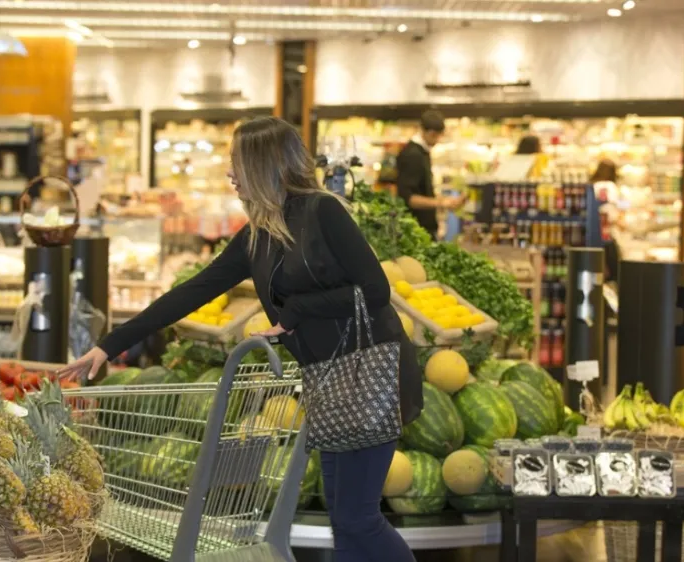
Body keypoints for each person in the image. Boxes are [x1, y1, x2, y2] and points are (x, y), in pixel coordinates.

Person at [61, 116, 421, 562]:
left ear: (264, 165)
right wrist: (107, 346)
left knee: (358, 519)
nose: (230, 173)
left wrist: (297, 312)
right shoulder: (257, 236)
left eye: (237, 163)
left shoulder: (323, 211)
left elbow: (376, 290)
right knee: (346, 520)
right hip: (328, 382)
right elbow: (190, 292)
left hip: (371, 376)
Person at [395, 109, 465, 239]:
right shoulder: (412, 155)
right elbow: (409, 198)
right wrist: (442, 203)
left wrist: (443, 201)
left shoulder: (422, 152)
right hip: (415, 230)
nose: (438, 140)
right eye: (437, 136)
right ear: (432, 133)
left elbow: (421, 189)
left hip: (421, 228)